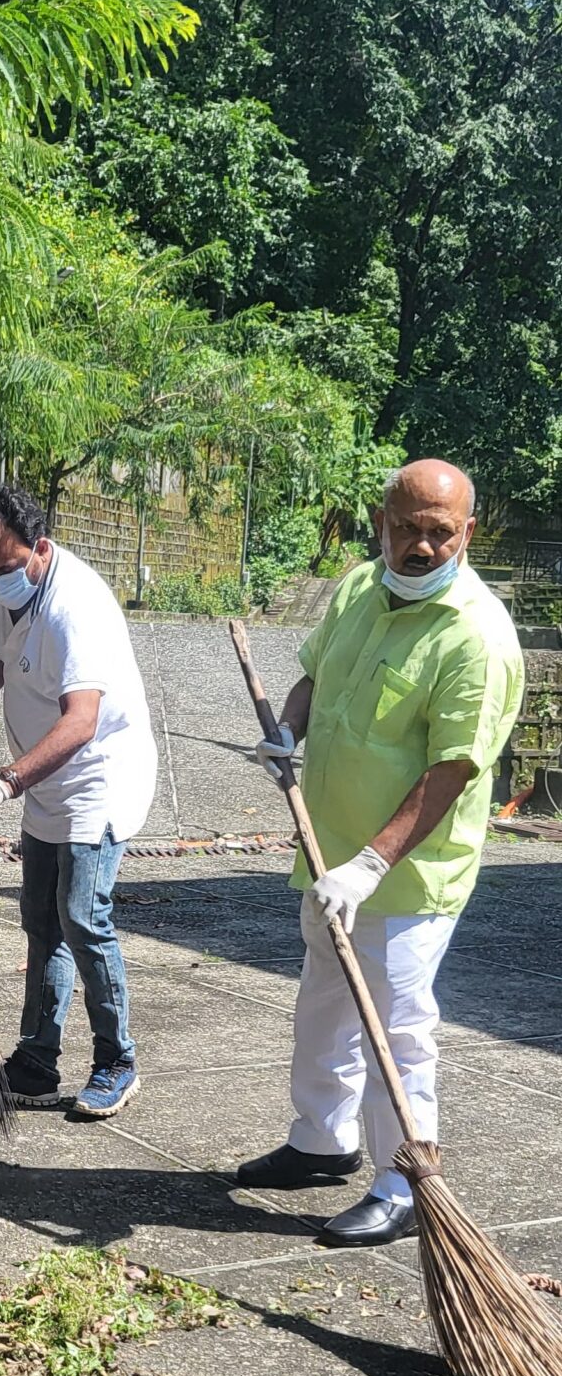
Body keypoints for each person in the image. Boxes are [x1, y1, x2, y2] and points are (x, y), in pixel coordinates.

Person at [236, 457, 523, 1246]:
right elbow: (312, 679)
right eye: (407, 529)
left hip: (408, 875)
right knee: (326, 1002)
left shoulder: (477, 636)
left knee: (397, 1026)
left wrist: (371, 864)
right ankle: (320, 1143)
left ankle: (401, 1183)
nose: (422, 548)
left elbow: (454, 770)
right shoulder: (361, 588)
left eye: (440, 533)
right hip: (327, 852)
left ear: (466, 533)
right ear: (382, 523)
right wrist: (287, 731)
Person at [0, 481, 157, 1116]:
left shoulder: (73, 605)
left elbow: (82, 721)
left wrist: (0, 784)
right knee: (40, 920)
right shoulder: (11, 593)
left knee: (83, 919)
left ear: (40, 547)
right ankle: (36, 1058)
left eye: (4, 568)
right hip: (43, 778)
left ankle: (118, 1060)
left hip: (97, 777)